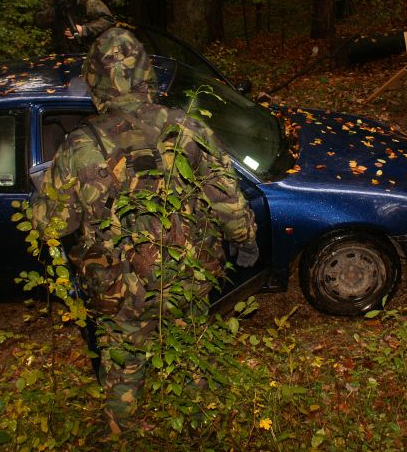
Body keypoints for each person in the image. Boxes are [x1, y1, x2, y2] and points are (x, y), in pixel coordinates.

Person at [30, 26, 258, 431]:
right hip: (186, 277)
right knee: (190, 354)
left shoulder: (80, 144)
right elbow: (228, 202)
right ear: (148, 74)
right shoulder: (189, 128)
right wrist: (245, 241)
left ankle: (120, 431)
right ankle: (199, 429)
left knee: (122, 364)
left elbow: (52, 224)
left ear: (96, 80)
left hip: (119, 288)